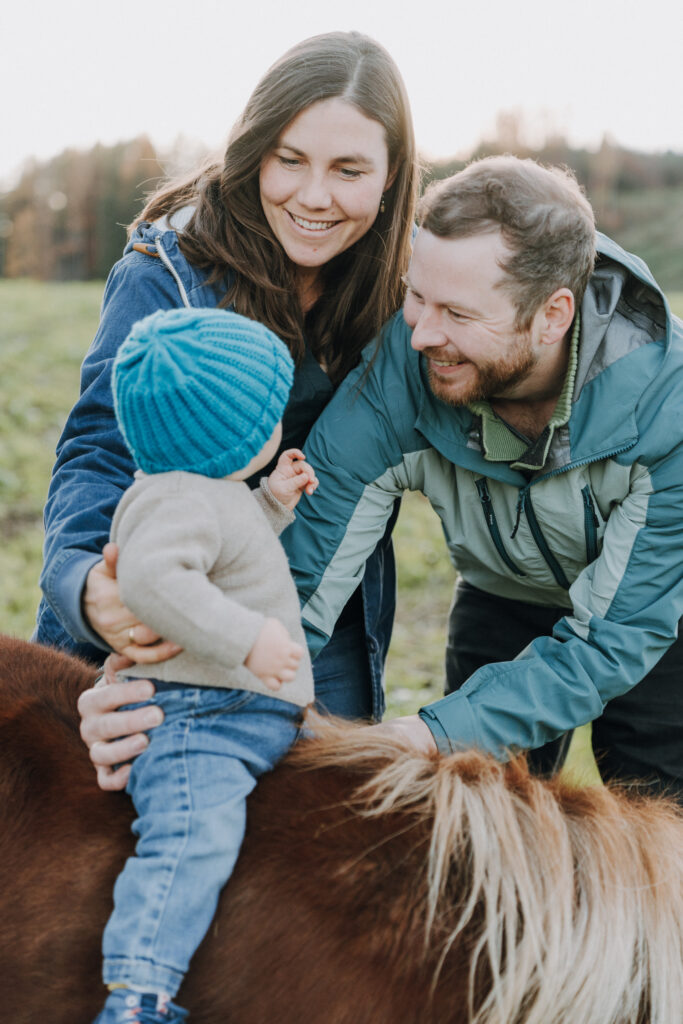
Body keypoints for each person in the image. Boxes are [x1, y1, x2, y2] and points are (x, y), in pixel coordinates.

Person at [35, 30, 418, 786]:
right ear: (252, 152)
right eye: (289, 160)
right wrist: (86, 586)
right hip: (168, 594)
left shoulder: (399, 294)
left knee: (314, 831)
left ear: (390, 176)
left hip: (314, 611)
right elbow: (98, 449)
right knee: (147, 820)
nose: (314, 196)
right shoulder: (168, 274)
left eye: (348, 170)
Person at [280, 156, 683, 798]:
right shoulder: (399, 373)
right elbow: (303, 577)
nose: (421, 335)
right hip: (501, 593)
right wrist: (233, 683)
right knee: (471, 810)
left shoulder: (669, 410)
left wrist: (431, 734)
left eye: (458, 314)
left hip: (650, 615)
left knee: (657, 819)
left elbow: (612, 642)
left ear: (552, 316)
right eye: (416, 296)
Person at [95, 306, 317, 1024]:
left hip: (248, 714)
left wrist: (272, 502)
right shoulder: (176, 500)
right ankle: (139, 993)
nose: (277, 425)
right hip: (199, 720)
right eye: (268, 417)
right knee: (192, 836)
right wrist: (246, 639)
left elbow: (233, 549)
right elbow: (154, 580)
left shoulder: (205, 492)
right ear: (233, 437)